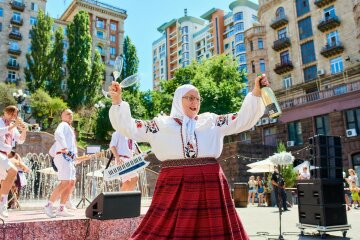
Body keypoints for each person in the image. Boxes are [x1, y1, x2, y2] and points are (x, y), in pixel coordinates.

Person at [108, 74, 269, 239]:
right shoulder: (161, 124)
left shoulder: (211, 121)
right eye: (190, 98)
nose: (195, 102)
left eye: (198, 99)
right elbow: (130, 127)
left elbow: (241, 119)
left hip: (210, 183)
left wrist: (256, 91)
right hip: (173, 184)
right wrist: (117, 101)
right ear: (178, 100)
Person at [43, 109, 90, 218]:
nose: (70, 115)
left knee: (71, 182)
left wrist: (76, 158)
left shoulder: (69, 128)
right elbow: (58, 134)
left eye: (71, 114)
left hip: (69, 158)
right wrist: (65, 148)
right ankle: (48, 205)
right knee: (65, 182)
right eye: (68, 114)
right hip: (62, 156)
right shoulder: (63, 124)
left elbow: (72, 147)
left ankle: (61, 208)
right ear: (62, 116)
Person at [0, 106, 27, 217]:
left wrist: (24, 130)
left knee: (4, 181)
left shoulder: (13, 127)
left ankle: (2, 205)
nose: (13, 117)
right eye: (11, 114)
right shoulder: (0, 122)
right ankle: (2, 206)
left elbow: (20, 140)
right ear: (5, 113)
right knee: (13, 171)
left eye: (15, 115)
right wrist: (14, 126)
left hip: (4, 155)